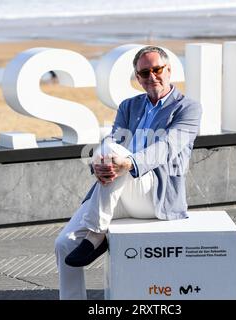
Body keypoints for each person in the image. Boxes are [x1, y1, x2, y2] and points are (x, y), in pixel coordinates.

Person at [54, 46, 202, 300]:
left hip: (156, 195)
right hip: (117, 189)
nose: (152, 76)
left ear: (169, 70)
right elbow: (112, 141)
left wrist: (129, 163)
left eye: (157, 69)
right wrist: (99, 164)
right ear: (137, 77)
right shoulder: (129, 106)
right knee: (64, 244)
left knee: (114, 154)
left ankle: (97, 234)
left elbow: (166, 147)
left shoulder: (188, 108)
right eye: (144, 73)